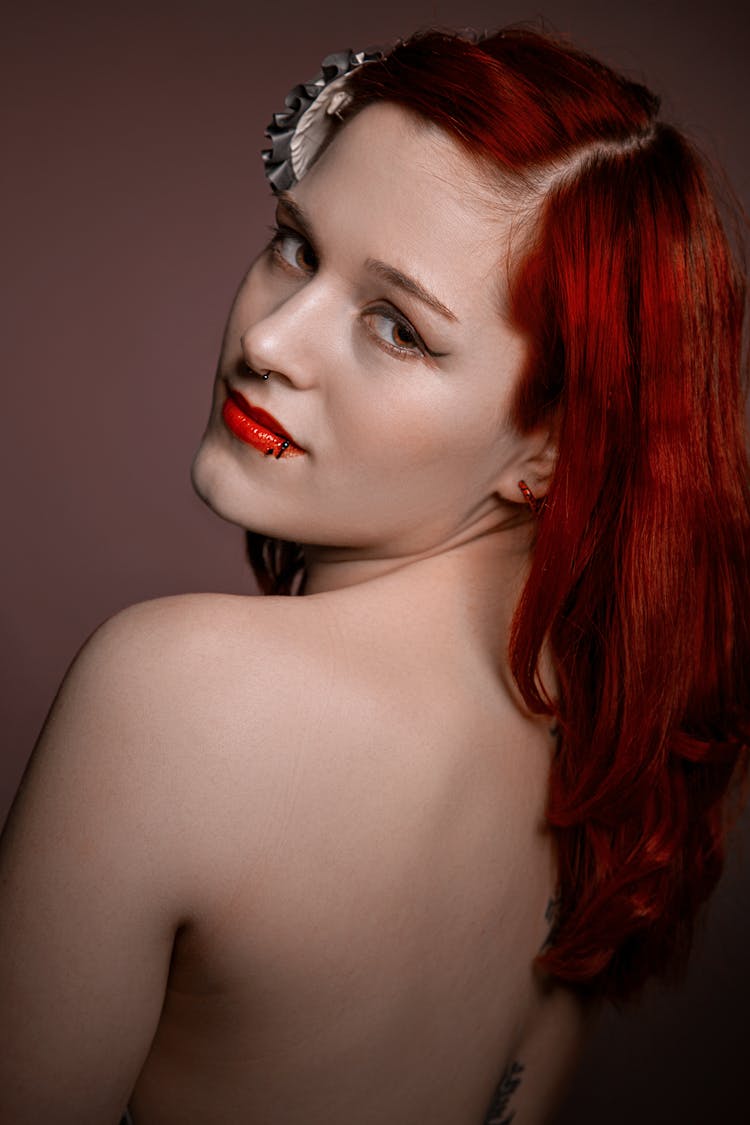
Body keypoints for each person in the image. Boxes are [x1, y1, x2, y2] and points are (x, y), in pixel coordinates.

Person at [1, 25, 748, 1125]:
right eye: (297, 247)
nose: (274, 340)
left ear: (554, 447)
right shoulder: (602, 750)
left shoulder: (175, 696)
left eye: (397, 326)